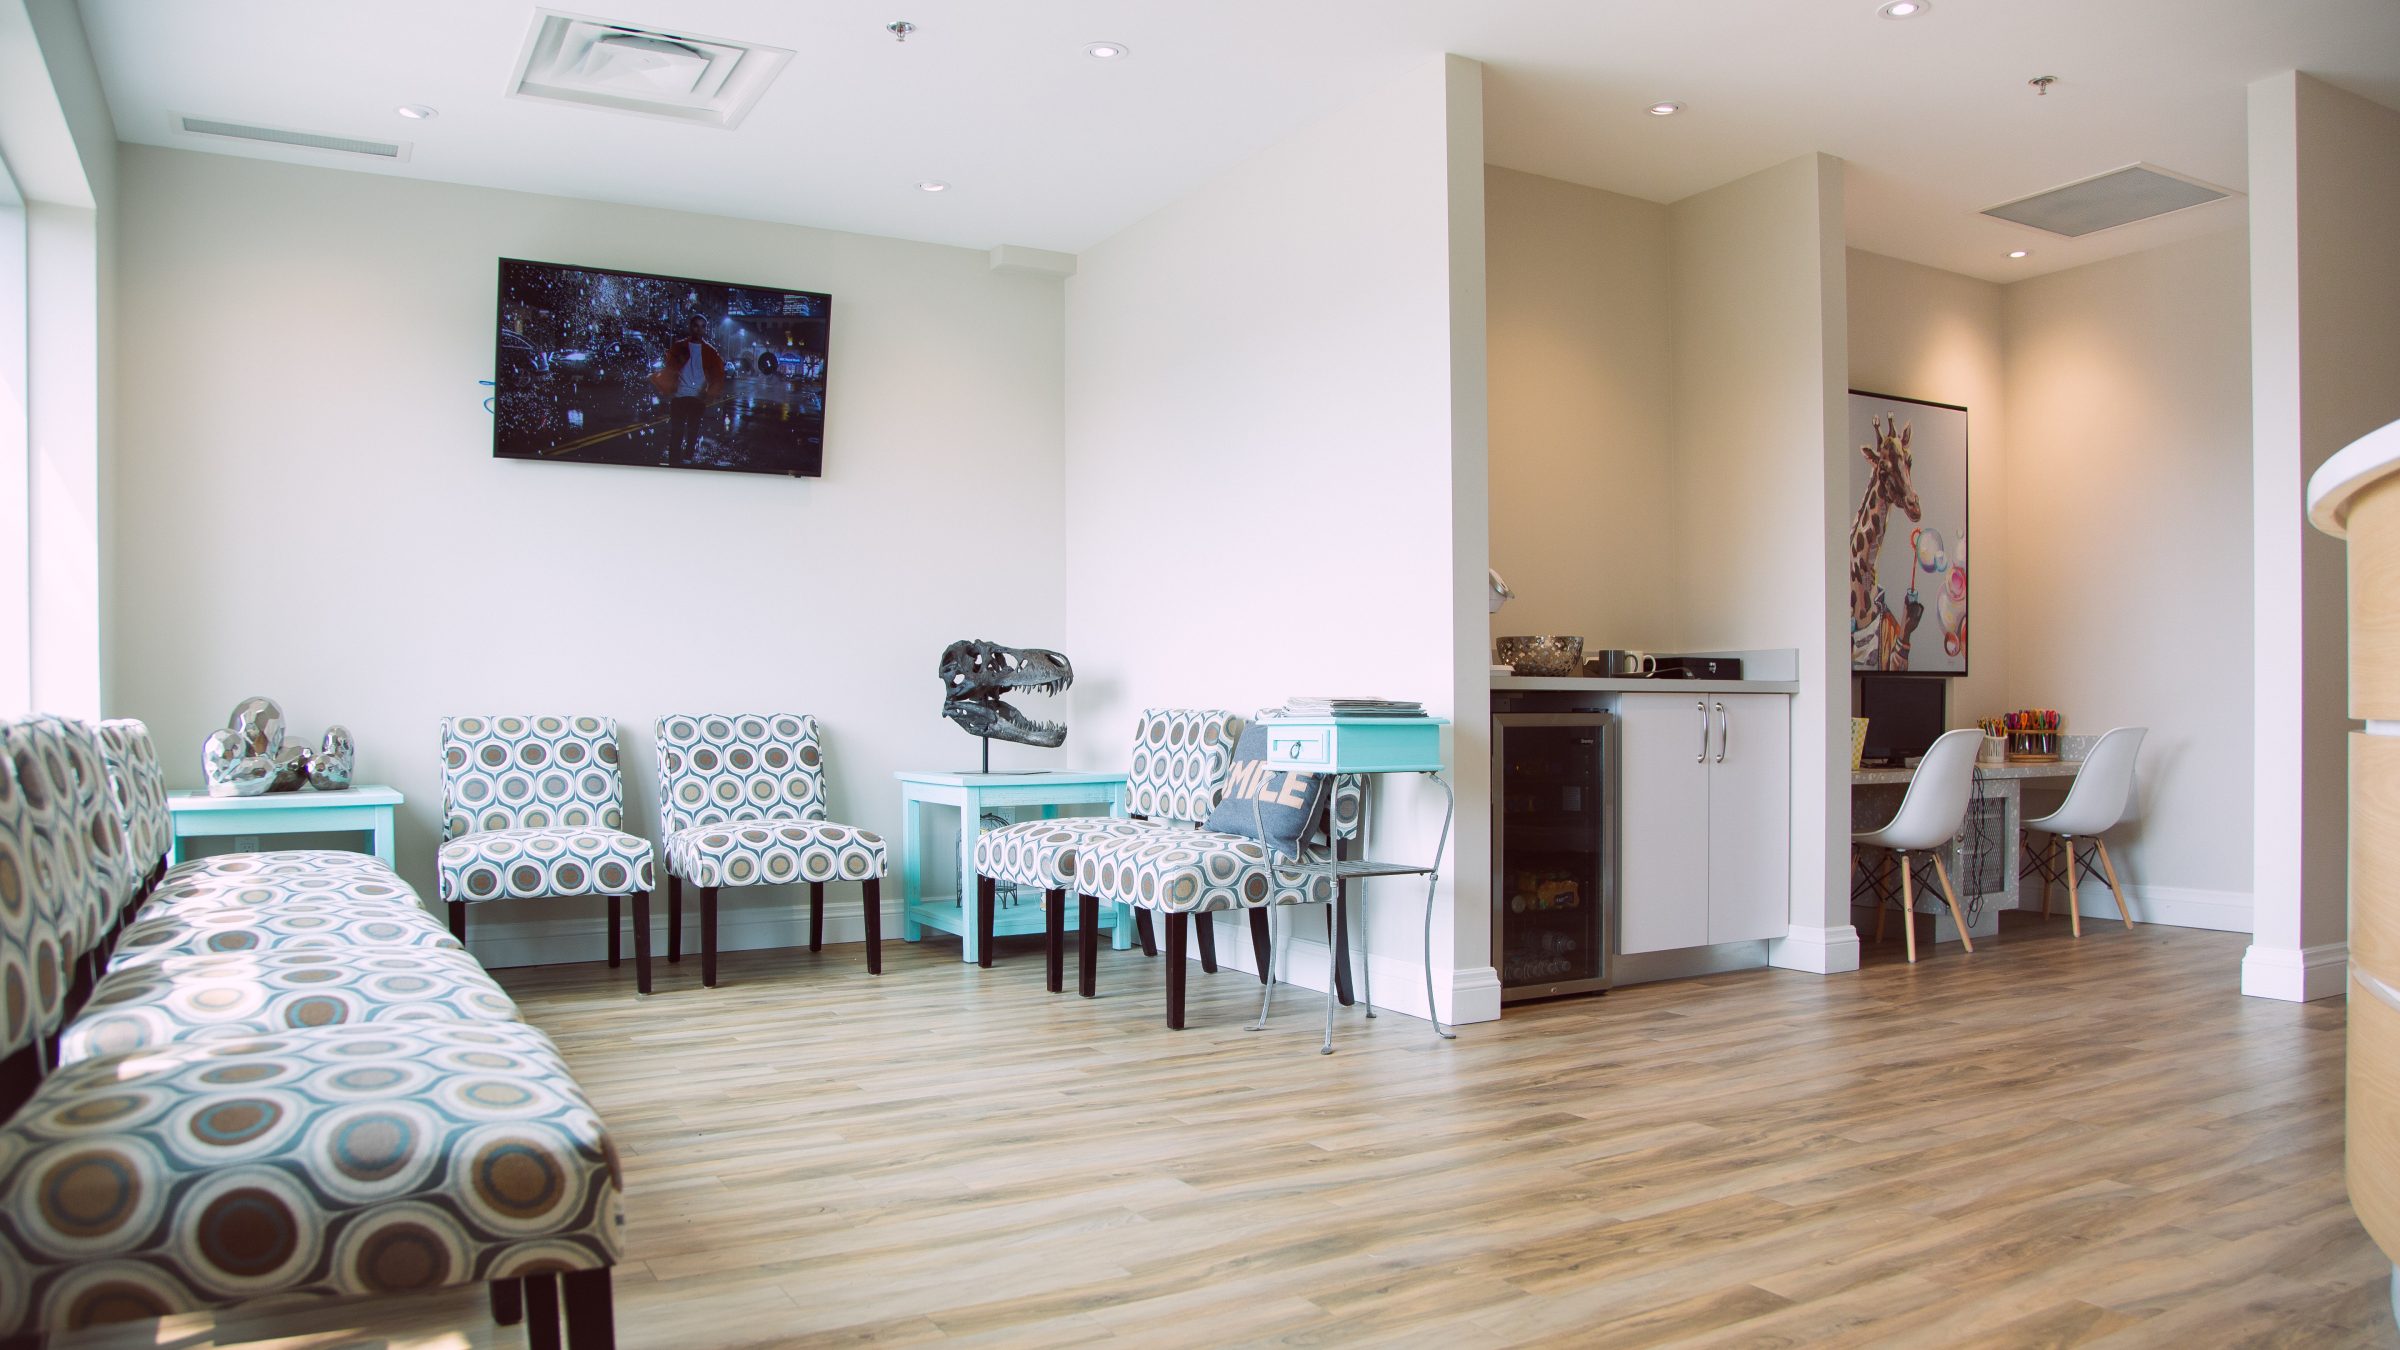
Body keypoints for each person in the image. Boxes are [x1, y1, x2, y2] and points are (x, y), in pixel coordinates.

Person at [653, 314, 726, 465]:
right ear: (690, 327)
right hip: (679, 397)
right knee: (677, 433)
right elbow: (670, 367)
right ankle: (674, 463)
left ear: (706, 329)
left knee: (692, 433)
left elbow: (718, 376)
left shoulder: (711, 352)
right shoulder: (679, 346)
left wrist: (709, 394)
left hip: (697, 399)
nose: (699, 330)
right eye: (696, 326)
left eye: (702, 326)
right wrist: (661, 382)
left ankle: (687, 460)